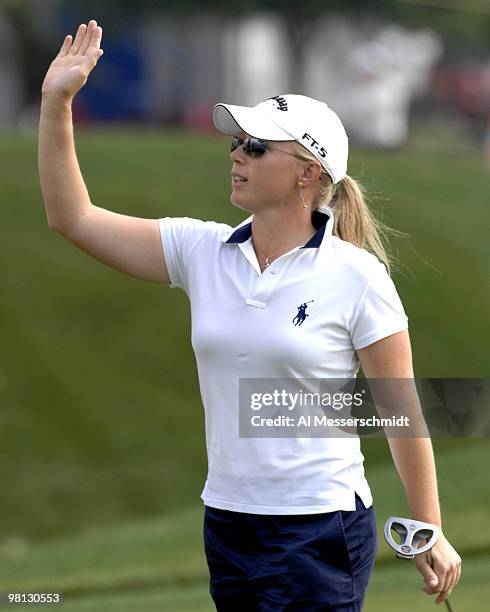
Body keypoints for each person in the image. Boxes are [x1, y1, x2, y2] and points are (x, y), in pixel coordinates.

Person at [38, 20, 461, 612]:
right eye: (237, 143)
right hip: (229, 523)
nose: (237, 154)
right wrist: (57, 103)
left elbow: (400, 409)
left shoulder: (357, 277)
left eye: (257, 147)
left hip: (320, 528)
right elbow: (72, 218)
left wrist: (429, 526)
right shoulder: (201, 250)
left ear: (308, 172)